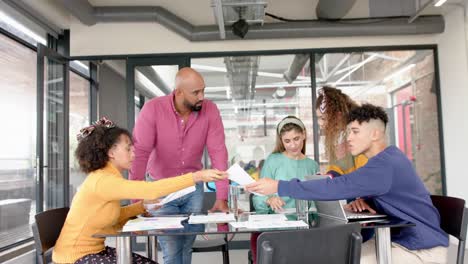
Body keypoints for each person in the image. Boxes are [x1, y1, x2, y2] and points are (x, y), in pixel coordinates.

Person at [246, 104, 448, 264]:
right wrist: (365, 200)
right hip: (398, 241)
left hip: (420, 249)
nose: (348, 138)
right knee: (337, 254)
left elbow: (336, 186)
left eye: (355, 131)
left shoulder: (384, 165)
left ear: (375, 134)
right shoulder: (387, 160)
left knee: (341, 257)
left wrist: (279, 186)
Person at [52, 117, 227, 264]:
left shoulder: (106, 178)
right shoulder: (103, 181)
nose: (133, 154)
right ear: (111, 152)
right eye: (128, 148)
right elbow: (152, 190)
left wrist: (140, 207)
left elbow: (110, 216)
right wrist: (195, 177)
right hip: (75, 258)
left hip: (94, 252)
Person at [129, 67, 229, 264]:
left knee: (185, 245)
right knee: (172, 247)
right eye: (196, 92)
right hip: (161, 188)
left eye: (203, 90)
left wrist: (222, 196)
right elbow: (140, 154)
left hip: (194, 189)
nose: (202, 96)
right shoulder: (153, 109)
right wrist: (136, 202)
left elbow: (218, 152)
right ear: (179, 92)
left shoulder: (210, 110)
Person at [250, 116, 319, 264]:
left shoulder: (312, 165)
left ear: (304, 135)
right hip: (276, 229)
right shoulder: (273, 160)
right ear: (281, 141)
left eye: (296, 139)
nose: (293, 145)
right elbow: (258, 195)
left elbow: (316, 201)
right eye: (287, 141)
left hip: (303, 231)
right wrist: (269, 199)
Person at [316, 86, 367, 177]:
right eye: (318, 118)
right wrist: (330, 175)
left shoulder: (359, 136)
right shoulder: (339, 137)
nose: (319, 123)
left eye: (323, 118)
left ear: (338, 116)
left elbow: (364, 176)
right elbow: (339, 166)